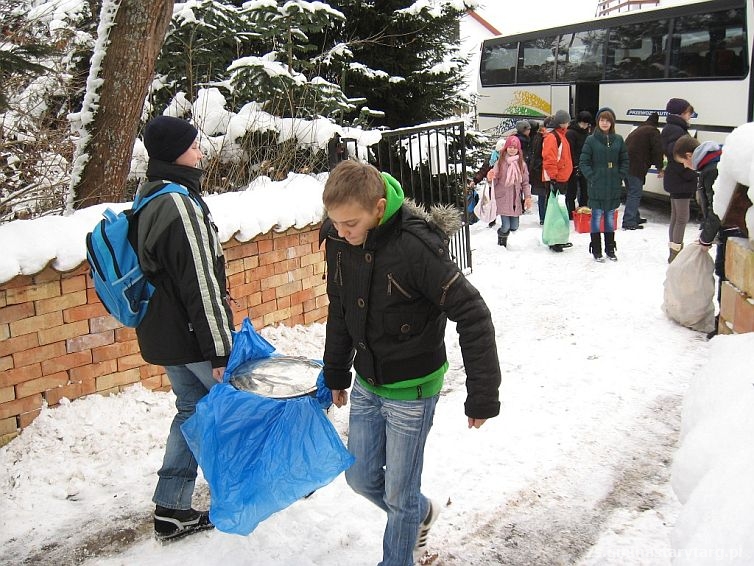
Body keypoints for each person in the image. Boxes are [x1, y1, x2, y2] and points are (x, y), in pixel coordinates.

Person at [320, 160, 501, 566]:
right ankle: (420, 513)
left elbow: (473, 312)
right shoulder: (341, 240)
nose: (341, 233)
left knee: (399, 495)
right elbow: (341, 309)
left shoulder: (416, 247)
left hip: (412, 392)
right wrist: (335, 372)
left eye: (350, 224)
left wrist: (483, 394)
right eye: (336, 224)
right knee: (361, 478)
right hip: (368, 382)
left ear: (379, 207)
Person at [137, 115, 235, 541]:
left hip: (166, 333)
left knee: (191, 411)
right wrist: (220, 349)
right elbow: (199, 281)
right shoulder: (177, 202)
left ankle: (172, 508)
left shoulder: (149, 195)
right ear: (177, 151)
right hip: (195, 336)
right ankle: (258, 484)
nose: (200, 152)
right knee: (240, 405)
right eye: (194, 145)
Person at [672, 135, 731, 337]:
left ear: (690, 155)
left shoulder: (710, 170)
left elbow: (717, 209)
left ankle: (725, 319)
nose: (687, 168)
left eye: (684, 163)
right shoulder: (713, 163)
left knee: (725, 273)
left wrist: (706, 238)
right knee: (723, 273)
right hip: (727, 229)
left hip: (730, 230)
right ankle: (724, 317)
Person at [579, 107, 629, 262]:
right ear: (597, 122)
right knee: (596, 216)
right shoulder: (591, 140)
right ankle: (596, 249)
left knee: (609, 217)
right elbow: (584, 162)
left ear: (612, 122)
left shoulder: (619, 139)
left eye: (607, 120)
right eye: (602, 120)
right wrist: (592, 176)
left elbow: (625, 160)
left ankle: (610, 248)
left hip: (613, 184)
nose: (604, 123)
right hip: (596, 185)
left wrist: (620, 174)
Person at [661, 98, 697, 262]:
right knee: (682, 218)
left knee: (676, 217)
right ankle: (676, 253)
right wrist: (690, 174)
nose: (690, 116)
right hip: (681, 180)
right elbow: (679, 158)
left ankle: (673, 250)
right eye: (689, 112)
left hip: (674, 179)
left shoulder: (670, 128)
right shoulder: (678, 132)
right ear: (682, 113)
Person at [489, 135, 531, 246]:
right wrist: (490, 177)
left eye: (515, 147)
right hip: (502, 197)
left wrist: (527, 197)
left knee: (514, 226)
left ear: (518, 149)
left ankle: (503, 234)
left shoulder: (521, 164)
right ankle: (502, 242)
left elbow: (525, 182)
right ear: (506, 148)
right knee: (506, 226)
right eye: (510, 147)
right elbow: (494, 178)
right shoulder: (500, 163)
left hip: (515, 199)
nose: (512, 149)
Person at [624, 113, 664, 230]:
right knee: (635, 193)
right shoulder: (653, 131)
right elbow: (658, 150)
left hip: (625, 166)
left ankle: (635, 217)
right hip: (636, 167)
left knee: (631, 192)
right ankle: (629, 221)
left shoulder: (638, 130)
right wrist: (660, 167)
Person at [542, 110, 574, 251]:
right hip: (557, 179)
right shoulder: (554, 137)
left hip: (560, 178)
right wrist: (553, 178)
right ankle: (554, 240)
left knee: (559, 211)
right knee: (556, 211)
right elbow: (550, 159)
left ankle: (558, 238)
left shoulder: (560, 135)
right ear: (563, 122)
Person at [565, 110, 592, 217]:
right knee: (571, 190)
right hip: (573, 165)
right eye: (583, 123)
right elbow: (570, 150)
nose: (584, 126)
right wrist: (575, 164)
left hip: (584, 165)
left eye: (586, 124)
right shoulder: (571, 133)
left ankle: (583, 210)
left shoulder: (587, 133)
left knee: (585, 190)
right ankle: (570, 211)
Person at [526, 119, 547, 225]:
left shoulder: (537, 137)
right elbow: (536, 155)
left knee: (542, 195)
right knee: (543, 195)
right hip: (541, 170)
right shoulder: (541, 138)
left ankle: (543, 217)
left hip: (538, 170)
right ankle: (544, 217)